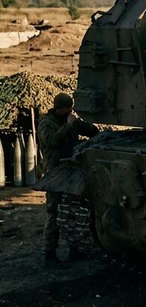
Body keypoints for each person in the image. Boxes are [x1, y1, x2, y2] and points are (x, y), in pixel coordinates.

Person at [37, 92, 99, 265]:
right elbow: (52, 141)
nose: (70, 111)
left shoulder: (69, 120)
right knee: (54, 212)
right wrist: (69, 125)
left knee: (75, 210)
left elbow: (89, 130)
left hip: (72, 170)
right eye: (67, 108)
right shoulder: (46, 123)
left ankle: (75, 248)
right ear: (59, 108)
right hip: (55, 172)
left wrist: (94, 131)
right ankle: (50, 253)